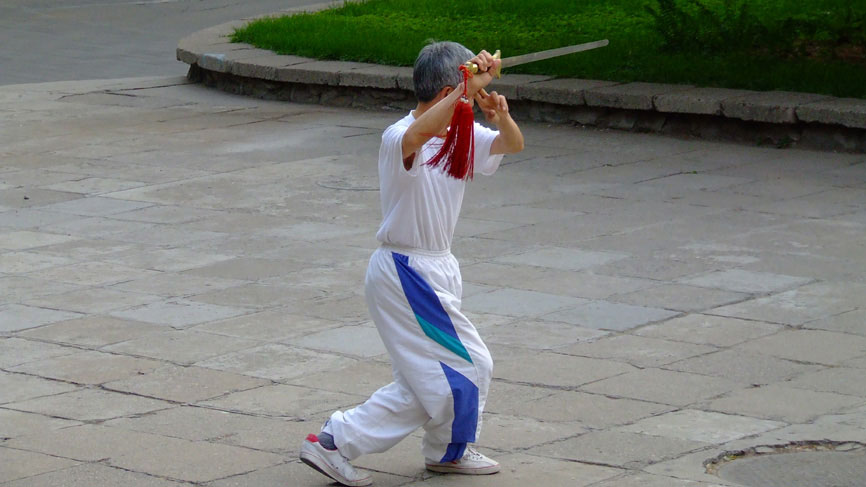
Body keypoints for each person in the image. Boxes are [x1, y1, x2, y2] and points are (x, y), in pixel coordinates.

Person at [300, 41, 524, 487]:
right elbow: (418, 135)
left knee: (425, 381)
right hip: (406, 271)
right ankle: (338, 440)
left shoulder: (460, 132)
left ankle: (433, 450)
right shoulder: (399, 136)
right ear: (446, 91)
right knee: (471, 365)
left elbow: (513, 146)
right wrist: (465, 88)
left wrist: (499, 117)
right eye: (459, 90)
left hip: (438, 267)